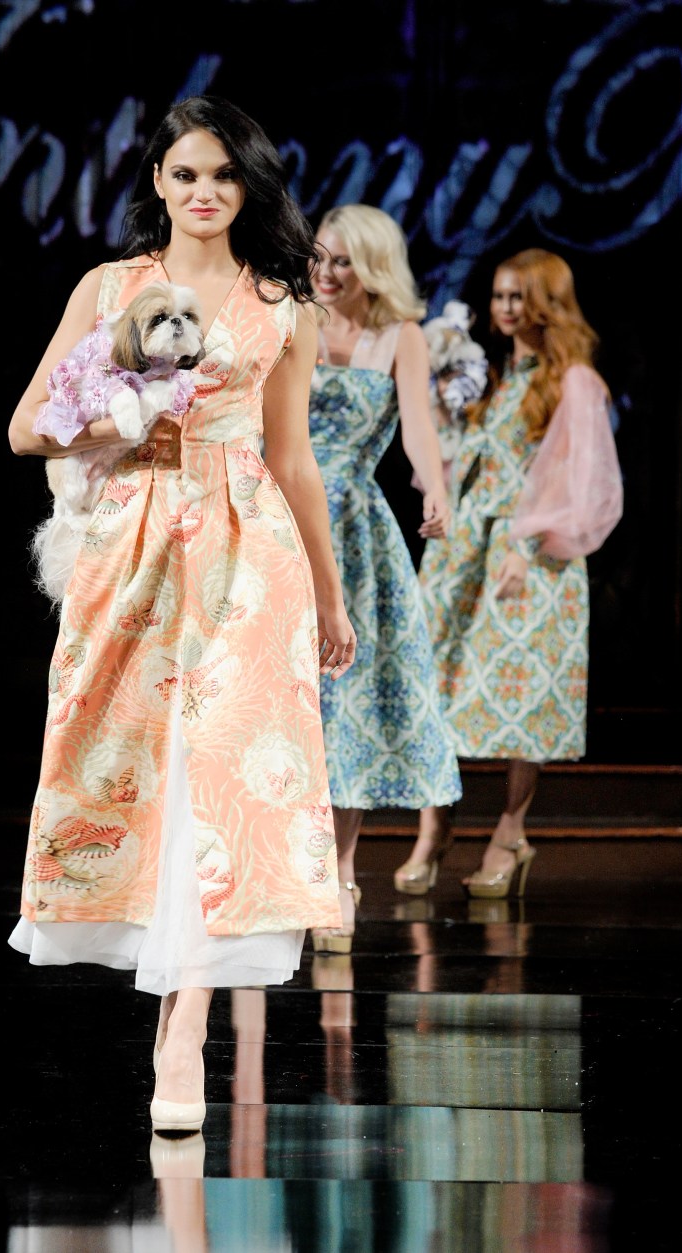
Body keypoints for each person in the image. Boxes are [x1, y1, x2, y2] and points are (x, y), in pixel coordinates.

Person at [6, 95, 356, 1135]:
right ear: (157, 181)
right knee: (137, 767)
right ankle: (166, 1006)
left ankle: (184, 1036)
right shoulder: (113, 287)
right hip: (132, 541)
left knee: (227, 776)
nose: (204, 193)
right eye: (186, 173)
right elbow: (28, 426)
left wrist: (329, 593)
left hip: (249, 551)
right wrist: (119, 412)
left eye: (224, 175)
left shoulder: (281, 301)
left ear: (248, 186)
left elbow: (292, 458)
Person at [401, 247, 623, 899]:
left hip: (527, 549)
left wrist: (526, 547)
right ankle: (433, 830)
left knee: (520, 700)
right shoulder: (493, 375)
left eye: (518, 297)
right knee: (437, 687)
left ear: (547, 303)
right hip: (465, 546)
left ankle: (511, 829)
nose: (504, 308)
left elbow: (576, 479)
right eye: (498, 296)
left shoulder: (572, 379)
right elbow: (454, 460)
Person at [305, 203, 462, 951]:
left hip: (357, 533)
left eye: (342, 262)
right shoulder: (293, 319)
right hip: (283, 521)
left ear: (371, 268)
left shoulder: (400, 337)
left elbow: (420, 425)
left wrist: (434, 485)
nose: (326, 274)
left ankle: (340, 872)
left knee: (352, 702)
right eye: (319, 258)